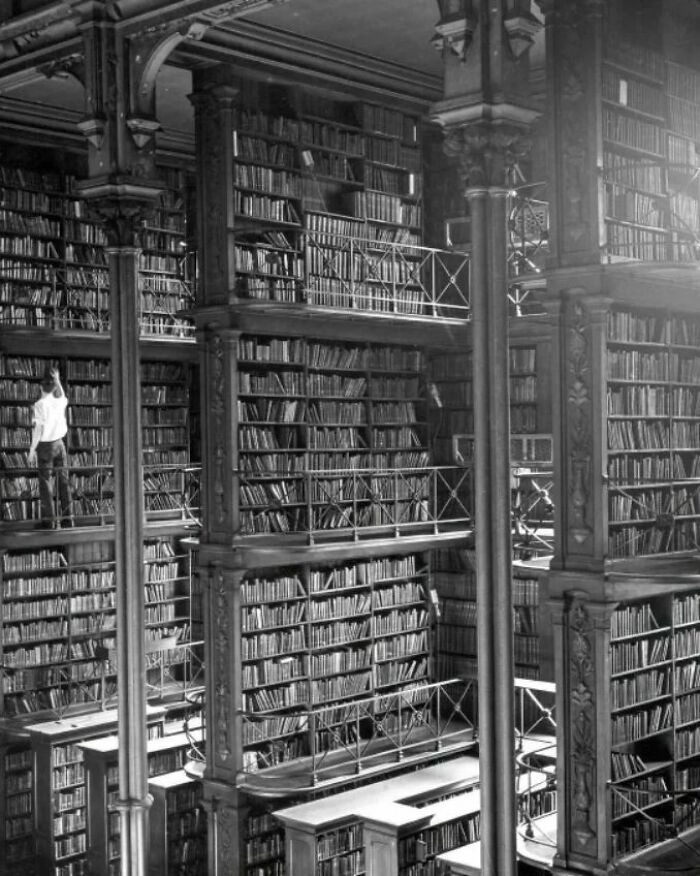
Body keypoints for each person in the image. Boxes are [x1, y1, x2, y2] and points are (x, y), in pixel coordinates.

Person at [27, 366, 73, 529]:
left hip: (45, 447)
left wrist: (32, 450)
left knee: (46, 484)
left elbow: (38, 430)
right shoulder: (59, 402)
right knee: (64, 482)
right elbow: (62, 394)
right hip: (60, 444)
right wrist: (58, 379)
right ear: (54, 387)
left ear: (41, 387)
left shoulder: (40, 405)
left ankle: (50, 521)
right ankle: (68, 519)